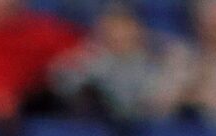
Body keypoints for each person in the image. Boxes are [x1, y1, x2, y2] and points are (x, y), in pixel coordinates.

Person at [53, 5, 183, 120]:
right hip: (100, 128)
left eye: (123, 28)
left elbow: (159, 103)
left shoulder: (160, 57)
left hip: (151, 128)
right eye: (111, 29)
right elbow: (62, 81)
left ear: (137, 29)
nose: (117, 35)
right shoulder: (94, 59)